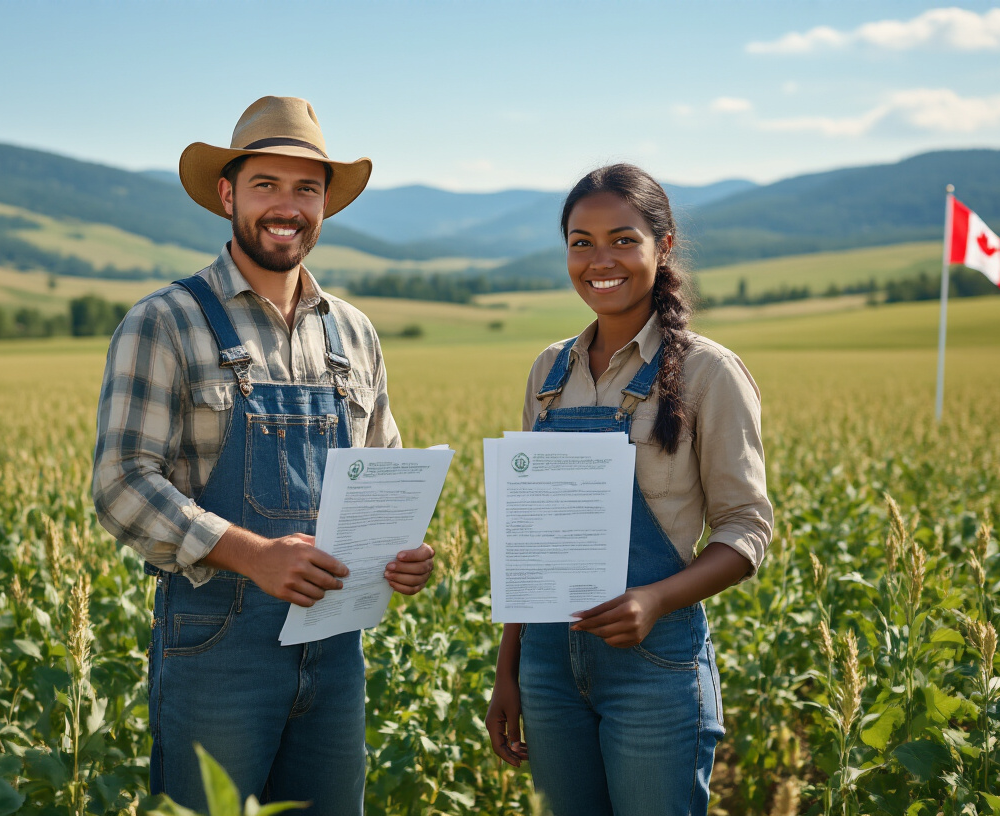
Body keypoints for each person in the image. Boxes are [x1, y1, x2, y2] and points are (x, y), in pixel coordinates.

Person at [91, 96, 435, 815]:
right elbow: (121, 484)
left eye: (306, 188)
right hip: (217, 646)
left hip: (336, 651)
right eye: (266, 185)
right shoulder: (165, 321)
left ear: (326, 204)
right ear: (228, 194)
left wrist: (402, 550)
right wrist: (254, 555)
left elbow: (384, 467)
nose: (288, 206)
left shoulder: (355, 333)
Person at [484, 163, 773, 816]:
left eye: (622, 239)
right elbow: (530, 538)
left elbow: (746, 529)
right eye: (581, 243)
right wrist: (510, 669)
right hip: (549, 666)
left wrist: (653, 600)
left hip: (655, 666)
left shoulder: (708, 373)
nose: (599, 260)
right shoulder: (548, 371)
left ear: (662, 246)